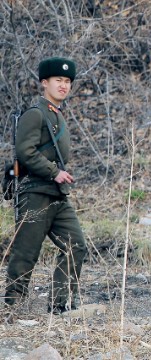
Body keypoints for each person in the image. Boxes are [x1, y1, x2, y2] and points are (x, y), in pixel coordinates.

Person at [4, 57, 87, 314]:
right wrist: (55, 172)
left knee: (76, 245)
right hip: (35, 192)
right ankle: (13, 307)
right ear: (45, 83)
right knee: (25, 253)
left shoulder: (56, 115)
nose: (63, 85)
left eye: (67, 81)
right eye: (58, 80)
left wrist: (58, 177)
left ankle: (59, 304)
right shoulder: (36, 114)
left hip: (56, 194)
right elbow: (24, 151)